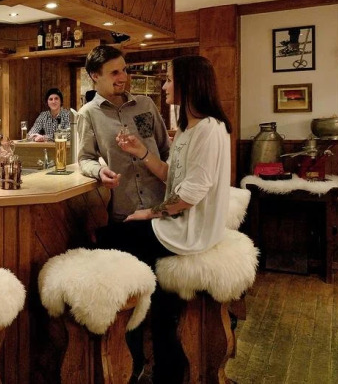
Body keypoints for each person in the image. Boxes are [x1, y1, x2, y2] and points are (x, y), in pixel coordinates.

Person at [99, 54, 232, 383]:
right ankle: (160, 362)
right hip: (177, 224)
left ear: (188, 84)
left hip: (190, 231)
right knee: (157, 291)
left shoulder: (210, 130)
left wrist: (149, 212)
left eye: (170, 79)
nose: (165, 86)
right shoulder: (188, 128)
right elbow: (172, 176)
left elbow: (190, 194)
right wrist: (141, 152)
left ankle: (126, 352)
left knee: (108, 239)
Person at [77, 45, 170, 223]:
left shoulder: (145, 104)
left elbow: (166, 149)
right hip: (124, 213)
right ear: (95, 76)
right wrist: (100, 171)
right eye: (114, 73)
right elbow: (85, 158)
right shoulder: (87, 114)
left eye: (124, 70)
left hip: (160, 208)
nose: (123, 77)